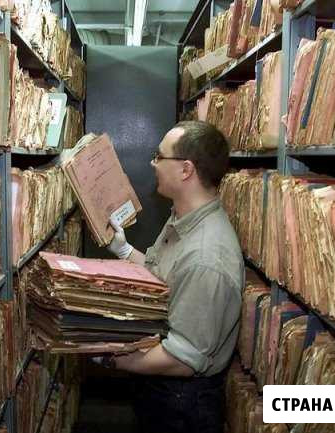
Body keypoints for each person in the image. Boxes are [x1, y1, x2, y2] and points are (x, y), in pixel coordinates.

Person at [100, 120, 244, 433]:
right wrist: (124, 250)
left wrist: (112, 358)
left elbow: (182, 358)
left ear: (185, 170)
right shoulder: (184, 218)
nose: (153, 164)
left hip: (182, 401)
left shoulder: (206, 257)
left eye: (159, 156)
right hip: (164, 388)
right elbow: (161, 275)